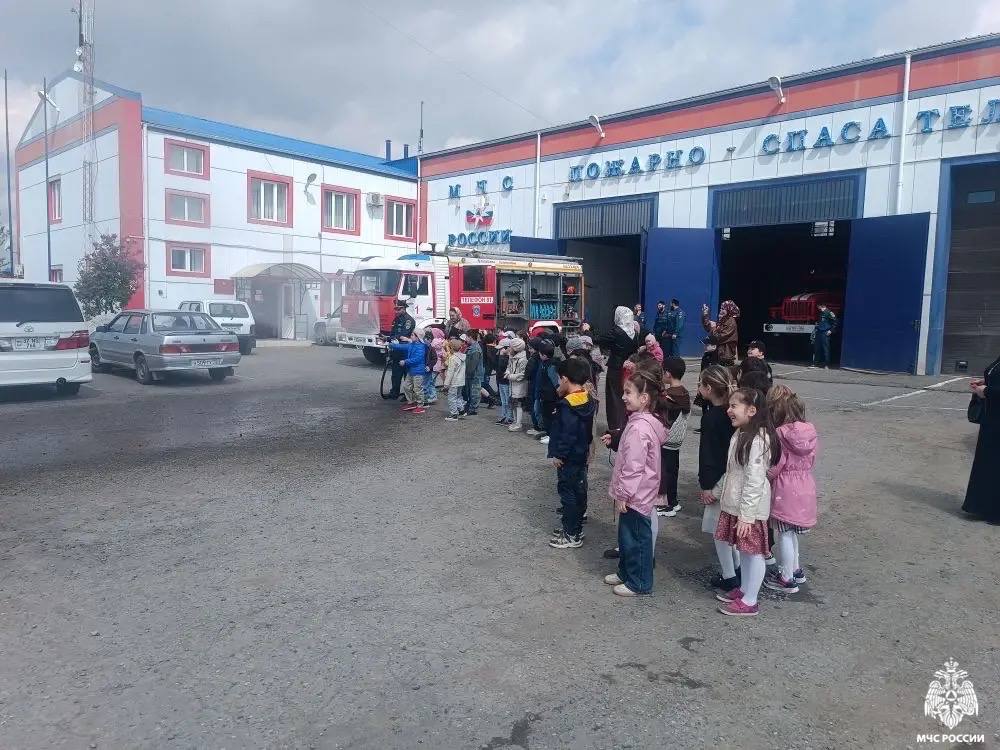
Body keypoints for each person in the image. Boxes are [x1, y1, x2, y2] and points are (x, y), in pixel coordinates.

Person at [600, 368, 669, 597]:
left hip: (637, 494)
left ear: (644, 398)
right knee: (627, 536)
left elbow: (633, 467)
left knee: (637, 539)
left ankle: (639, 582)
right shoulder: (639, 421)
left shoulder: (639, 428)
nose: (623, 397)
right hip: (637, 492)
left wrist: (623, 494)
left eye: (628, 392)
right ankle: (626, 572)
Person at [713, 388, 780, 617]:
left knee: (753, 553)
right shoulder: (741, 433)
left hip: (749, 510)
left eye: (734, 406)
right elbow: (733, 471)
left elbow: (755, 481)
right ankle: (744, 590)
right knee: (744, 551)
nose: (728, 410)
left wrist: (747, 516)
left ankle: (751, 600)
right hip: (737, 505)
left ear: (751, 410)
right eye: (729, 406)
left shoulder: (758, 440)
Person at [764, 385, 818, 593]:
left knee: (784, 533)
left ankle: (786, 578)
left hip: (785, 489)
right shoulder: (810, 433)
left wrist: (765, 477)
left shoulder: (780, 434)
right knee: (792, 532)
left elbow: (777, 465)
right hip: (805, 484)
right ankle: (795, 570)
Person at [548, 357, 599, 549]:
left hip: (568, 457)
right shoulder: (587, 398)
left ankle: (571, 533)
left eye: (559, 379)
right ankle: (575, 529)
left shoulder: (567, 405)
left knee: (568, 493)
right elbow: (586, 430)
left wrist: (559, 454)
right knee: (579, 491)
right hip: (580, 453)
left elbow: (566, 434)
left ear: (565, 379)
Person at [696, 365, 738, 590]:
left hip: (718, 480)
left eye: (700, 384)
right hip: (734, 477)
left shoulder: (711, 417)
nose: (698, 388)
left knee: (719, 531)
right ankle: (738, 568)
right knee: (730, 528)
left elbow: (708, 454)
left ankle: (729, 575)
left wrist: (706, 485)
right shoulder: (733, 413)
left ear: (709, 388)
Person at [962, 353, 1000, 524]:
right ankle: (983, 506)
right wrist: (985, 382)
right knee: (988, 464)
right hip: (992, 419)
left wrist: (986, 391)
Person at [655, 356, 691, 518]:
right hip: (677, 440)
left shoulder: (669, 395)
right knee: (673, 470)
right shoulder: (684, 392)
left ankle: (666, 504)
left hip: (666, 438)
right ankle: (673, 500)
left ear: (667, 373)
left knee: (664, 472)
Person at [596, 306, 641, 433]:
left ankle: (615, 426)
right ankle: (626, 424)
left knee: (614, 397)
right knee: (628, 395)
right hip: (630, 368)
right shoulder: (634, 333)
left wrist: (588, 331)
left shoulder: (616, 331)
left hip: (616, 367)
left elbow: (599, 340)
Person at [388, 330, 429, 414]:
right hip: (411, 370)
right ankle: (411, 402)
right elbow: (402, 347)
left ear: (418, 337)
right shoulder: (412, 344)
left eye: (413, 335)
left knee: (418, 389)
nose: (411, 336)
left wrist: (405, 361)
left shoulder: (421, 347)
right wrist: (391, 345)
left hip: (418, 371)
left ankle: (420, 406)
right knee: (406, 386)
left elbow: (417, 359)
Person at [386, 299, 415, 399]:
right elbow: (393, 333)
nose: (396, 311)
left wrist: (389, 339)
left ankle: (408, 395)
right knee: (395, 374)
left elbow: (403, 335)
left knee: (407, 375)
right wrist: (388, 339)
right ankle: (394, 393)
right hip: (396, 351)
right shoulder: (396, 319)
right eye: (396, 309)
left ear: (404, 308)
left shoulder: (408, 320)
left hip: (406, 352)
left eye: (398, 309)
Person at [535, 339, 560, 444]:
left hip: (550, 396)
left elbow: (555, 382)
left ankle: (551, 436)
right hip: (545, 394)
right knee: (546, 415)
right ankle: (548, 433)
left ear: (544, 355)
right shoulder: (545, 363)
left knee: (550, 416)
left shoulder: (551, 366)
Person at [701, 300, 740, 366]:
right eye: (721, 308)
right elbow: (708, 327)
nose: (721, 310)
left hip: (725, 356)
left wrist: (714, 328)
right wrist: (705, 315)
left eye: (723, 309)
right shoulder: (722, 321)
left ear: (729, 310)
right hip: (718, 354)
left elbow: (721, 336)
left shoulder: (730, 321)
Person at [505, 337, 529, 431]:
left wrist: (510, 376)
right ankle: (515, 421)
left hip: (519, 386)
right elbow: (509, 366)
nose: (509, 349)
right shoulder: (511, 357)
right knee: (513, 404)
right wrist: (507, 372)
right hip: (512, 384)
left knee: (518, 404)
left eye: (510, 347)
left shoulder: (523, 360)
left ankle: (518, 423)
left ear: (515, 348)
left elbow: (522, 375)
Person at [443, 334, 467, 422]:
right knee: (459, 396)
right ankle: (461, 410)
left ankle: (454, 414)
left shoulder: (453, 358)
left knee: (451, 398)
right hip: (461, 381)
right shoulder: (463, 357)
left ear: (451, 348)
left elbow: (450, 372)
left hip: (454, 382)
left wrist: (446, 384)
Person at [463, 331, 484, 416]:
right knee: (471, 392)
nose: (465, 339)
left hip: (474, 375)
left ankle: (473, 409)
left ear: (470, 337)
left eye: (466, 337)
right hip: (471, 375)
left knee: (474, 392)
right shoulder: (472, 347)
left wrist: (466, 373)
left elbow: (472, 365)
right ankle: (470, 407)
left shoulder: (475, 349)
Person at [811, 303, 838, 368]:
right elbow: (820, 322)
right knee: (817, 348)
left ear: (821, 306)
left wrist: (831, 330)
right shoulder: (821, 313)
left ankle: (827, 364)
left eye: (818, 306)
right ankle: (815, 363)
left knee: (825, 348)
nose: (818, 308)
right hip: (819, 332)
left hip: (825, 332)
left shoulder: (829, 313)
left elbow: (835, 322)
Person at [495, 338, 513, 425]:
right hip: (501, 381)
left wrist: (502, 355)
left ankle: (509, 417)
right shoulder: (501, 357)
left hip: (506, 381)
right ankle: (504, 416)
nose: (499, 351)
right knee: (503, 400)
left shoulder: (509, 358)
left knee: (507, 400)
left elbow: (502, 366)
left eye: (501, 349)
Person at [481, 333, 500, 409]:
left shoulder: (485, 348)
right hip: (489, 368)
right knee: (484, 383)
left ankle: (492, 398)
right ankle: (488, 398)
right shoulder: (495, 349)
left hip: (484, 368)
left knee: (484, 384)